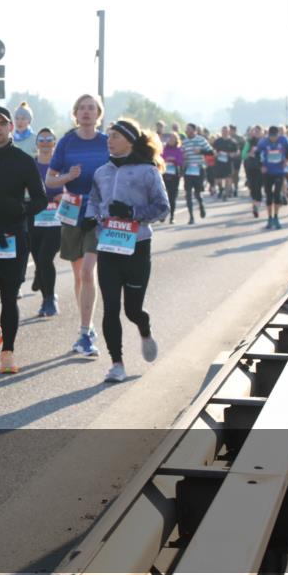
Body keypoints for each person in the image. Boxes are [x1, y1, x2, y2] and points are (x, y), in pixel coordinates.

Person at [85, 119, 168, 383]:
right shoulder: (101, 172)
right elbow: (94, 201)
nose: (109, 140)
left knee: (132, 310)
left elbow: (163, 207)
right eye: (108, 135)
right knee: (110, 308)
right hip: (109, 246)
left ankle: (144, 329)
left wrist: (132, 213)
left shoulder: (147, 171)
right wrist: (91, 217)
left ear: (130, 141)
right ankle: (117, 364)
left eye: (116, 136)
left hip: (138, 248)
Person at [0, 106, 48, 373]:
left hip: (14, 236)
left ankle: (8, 353)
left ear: (10, 128)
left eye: (2, 123)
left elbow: (41, 199)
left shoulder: (23, 160)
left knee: (8, 297)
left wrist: (23, 209)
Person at [46, 93, 110, 357]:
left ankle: (84, 334)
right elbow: (50, 181)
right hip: (72, 213)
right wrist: (67, 177)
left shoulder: (107, 142)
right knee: (78, 276)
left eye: (91, 108)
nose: (86, 112)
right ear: (75, 113)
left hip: (97, 215)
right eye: (82, 108)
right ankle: (89, 324)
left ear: (98, 114)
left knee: (87, 272)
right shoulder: (66, 142)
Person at [29, 128, 63, 316]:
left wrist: (62, 195)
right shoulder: (31, 165)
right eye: (41, 139)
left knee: (45, 258)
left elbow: (71, 190)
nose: (44, 142)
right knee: (39, 259)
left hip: (55, 220)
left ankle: (48, 300)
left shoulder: (60, 166)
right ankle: (39, 275)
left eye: (48, 138)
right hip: (34, 219)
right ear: (37, 143)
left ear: (54, 142)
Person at [258, 125, 288, 229]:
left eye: (275, 136)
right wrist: (261, 166)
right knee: (268, 195)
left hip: (279, 172)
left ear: (278, 135)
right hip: (267, 172)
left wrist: (286, 160)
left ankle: (276, 217)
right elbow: (258, 154)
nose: (273, 138)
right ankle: (269, 218)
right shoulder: (263, 142)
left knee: (277, 194)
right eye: (271, 136)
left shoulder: (284, 140)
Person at [181, 123, 211, 224]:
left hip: (199, 169)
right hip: (188, 170)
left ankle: (201, 205)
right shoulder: (184, 142)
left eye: (189, 129)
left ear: (194, 130)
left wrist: (201, 150)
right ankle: (191, 217)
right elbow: (181, 154)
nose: (187, 131)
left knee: (197, 193)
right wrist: (182, 158)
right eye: (186, 129)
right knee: (188, 193)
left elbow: (211, 152)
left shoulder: (201, 140)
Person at [161, 133, 184, 223]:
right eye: (170, 138)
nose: (171, 140)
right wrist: (166, 160)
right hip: (164, 174)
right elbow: (160, 158)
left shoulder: (179, 150)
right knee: (163, 195)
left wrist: (173, 160)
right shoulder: (164, 149)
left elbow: (180, 161)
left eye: (173, 138)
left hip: (174, 175)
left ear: (176, 140)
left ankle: (172, 216)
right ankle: (162, 214)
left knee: (172, 196)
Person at [212, 126, 239, 200]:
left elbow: (237, 152)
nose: (224, 132)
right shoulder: (217, 141)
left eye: (226, 131)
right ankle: (221, 189)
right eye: (223, 131)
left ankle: (225, 194)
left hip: (228, 162)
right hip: (219, 162)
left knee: (228, 178)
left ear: (228, 132)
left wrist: (232, 154)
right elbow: (213, 149)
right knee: (218, 179)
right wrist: (215, 153)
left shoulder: (233, 141)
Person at [243, 125, 264, 218]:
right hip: (250, 167)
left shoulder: (265, 142)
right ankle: (255, 205)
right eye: (255, 131)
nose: (256, 133)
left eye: (258, 131)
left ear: (261, 132)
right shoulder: (249, 142)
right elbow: (243, 155)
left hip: (260, 167)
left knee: (258, 187)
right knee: (252, 187)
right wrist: (249, 154)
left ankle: (256, 205)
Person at [229, 124, 244, 196]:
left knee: (236, 174)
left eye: (232, 130)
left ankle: (235, 187)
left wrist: (240, 154)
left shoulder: (240, 138)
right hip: (229, 159)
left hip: (237, 158)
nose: (231, 131)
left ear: (235, 130)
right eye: (230, 130)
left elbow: (243, 148)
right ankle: (230, 188)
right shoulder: (227, 138)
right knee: (230, 173)